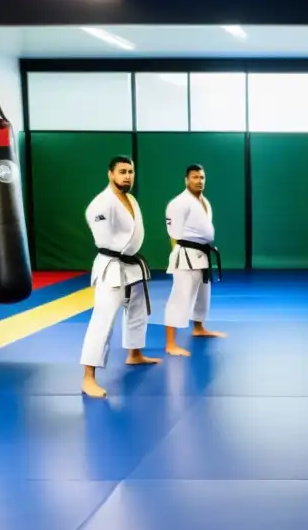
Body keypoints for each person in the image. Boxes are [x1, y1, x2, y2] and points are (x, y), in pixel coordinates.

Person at [79, 156, 159, 398]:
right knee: (102, 320)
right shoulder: (100, 204)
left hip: (132, 266)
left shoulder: (131, 199)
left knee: (137, 311)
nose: (127, 176)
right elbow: (104, 240)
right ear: (110, 174)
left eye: (131, 171)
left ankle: (134, 353)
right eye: (122, 171)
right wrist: (124, 253)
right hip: (111, 265)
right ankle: (88, 377)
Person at [163, 164, 225, 356]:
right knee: (179, 298)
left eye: (202, 177)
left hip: (202, 255)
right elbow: (174, 233)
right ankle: (170, 343)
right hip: (186, 255)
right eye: (195, 177)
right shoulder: (179, 203)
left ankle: (198, 327)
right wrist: (179, 254)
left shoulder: (204, 201)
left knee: (202, 296)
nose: (199, 181)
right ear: (186, 179)